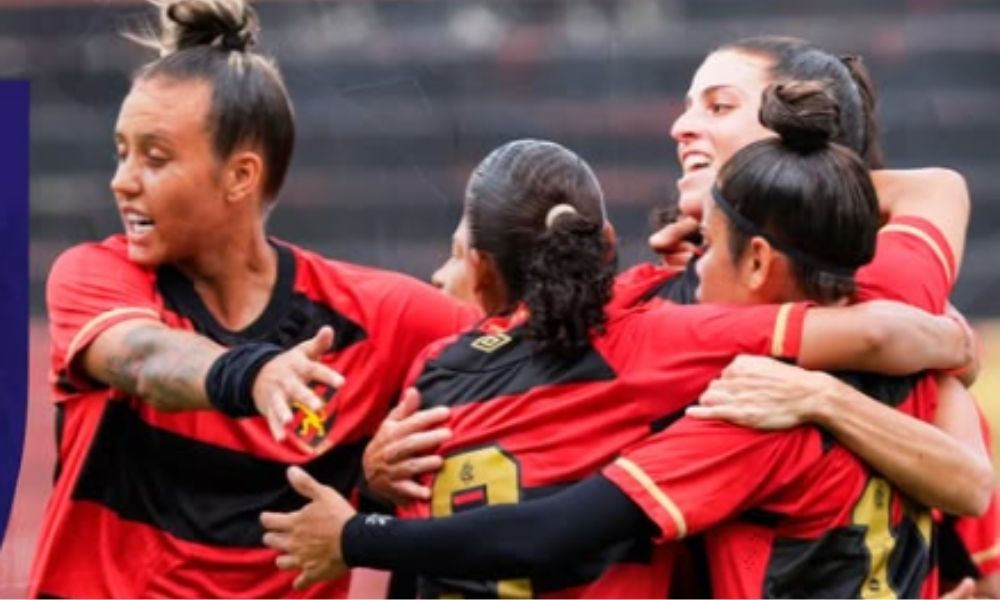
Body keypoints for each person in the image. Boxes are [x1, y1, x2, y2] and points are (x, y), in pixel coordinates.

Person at [261, 94, 983, 597]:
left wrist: (362, 523)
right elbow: (972, 483)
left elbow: (556, 531)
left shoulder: (740, 413)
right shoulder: (906, 294)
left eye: (720, 108)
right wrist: (950, 339)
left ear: (759, 258)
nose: (686, 129)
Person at [30, 1, 475, 597]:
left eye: (154, 158)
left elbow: (524, 352)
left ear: (240, 176)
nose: (123, 180)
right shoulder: (96, 275)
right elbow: (142, 358)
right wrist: (254, 375)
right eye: (121, 151)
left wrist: (374, 491)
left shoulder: (378, 319)